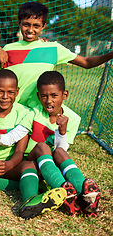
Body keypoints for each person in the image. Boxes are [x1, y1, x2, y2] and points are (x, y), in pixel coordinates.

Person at [17, 71, 100, 219]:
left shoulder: (73, 118)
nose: (49, 101)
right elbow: (16, 134)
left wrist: (62, 131)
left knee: (60, 152)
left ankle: (85, 196)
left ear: (64, 95)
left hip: (51, 167)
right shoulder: (34, 113)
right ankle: (65, 191)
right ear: (38, 96)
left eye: (54, 96)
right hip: (31, 162)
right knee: (42, 146)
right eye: (44, 96)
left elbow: (61, 149)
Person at [3, 1, 113, 108]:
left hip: (39, 112)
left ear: (43, 26)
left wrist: (111, 54)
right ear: (19, 23)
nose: (30, 30)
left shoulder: (53, 48)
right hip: (13, 110)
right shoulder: (8, 49)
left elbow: (86, 62)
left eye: (36, 26)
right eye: (26, 25)